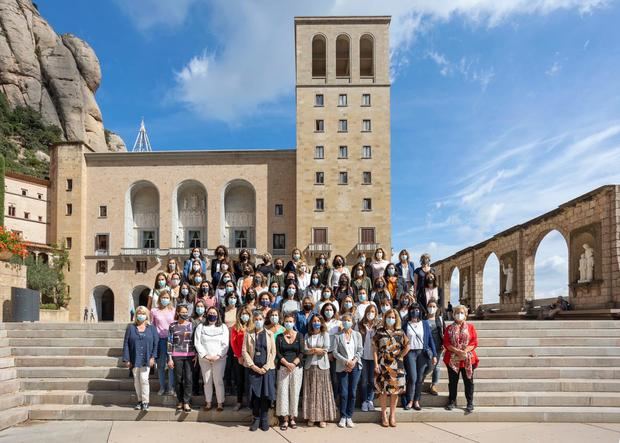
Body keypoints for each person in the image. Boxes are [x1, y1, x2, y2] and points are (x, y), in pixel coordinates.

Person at [374, 308, 409, 427]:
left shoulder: (400, 332)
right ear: (385, 318)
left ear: (396, 319)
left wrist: (400, 356)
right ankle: (383, 414)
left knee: (395, 392)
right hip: (383, 365)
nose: (391, 319)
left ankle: (392, 415)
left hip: (396, 366)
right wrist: (376, 364)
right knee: (383, 391)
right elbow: (374, 349)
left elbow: (407, 346)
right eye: (389, 317)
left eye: (393, 317)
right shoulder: (379, 332)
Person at [243, 311, 277, 432]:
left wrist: (266, 367)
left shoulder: (270, 334)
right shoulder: (248, 334)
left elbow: (273, 352)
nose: (258, 321)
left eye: (260, 319)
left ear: (263, 320)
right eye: (256, 319)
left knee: (265, 395)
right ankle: (256, 418)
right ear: (253, 320)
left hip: (267, 370)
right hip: (254, 369)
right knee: (255, 395)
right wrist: (253, 366)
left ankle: (264, 419)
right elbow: (245, 351)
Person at [302, 314, 337, 428]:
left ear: (321, 323)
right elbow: (305, 350)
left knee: (322, 392)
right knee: (311, 392)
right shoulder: (307, 335)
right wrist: (315, 350)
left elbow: (325, 349)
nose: (316, 322)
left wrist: (314, 350)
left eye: (318, 321)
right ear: (311, 323)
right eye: (314, 321)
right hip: (310, 366)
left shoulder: (325, 334)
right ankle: (311, 417)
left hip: (322, 366)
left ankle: (322, 418)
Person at [443, 305, 479, 414]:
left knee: (468, 381)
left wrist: (465, 351)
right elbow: (446, 342)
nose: (459, 315)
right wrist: (457, 352)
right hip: (453, 358)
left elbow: (474, 341)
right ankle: (452, 401)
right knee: (453, 381)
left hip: (467, 359)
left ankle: (469, 402)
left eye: (462, 313)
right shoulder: (449, 328)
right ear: (453, 315)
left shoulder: (470, 327)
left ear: (465, 315)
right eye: (457, 313)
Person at [122, 305, 158, 411]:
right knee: (136, 381)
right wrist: (126, 359)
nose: (141, 315)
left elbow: (156, 343)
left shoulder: (151, 328)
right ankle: (139, 401)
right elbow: (126, 344)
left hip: (147, 358)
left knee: (144, 379)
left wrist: (153, 357)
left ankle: (145, 402)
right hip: (134, 358)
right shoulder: (130, 328)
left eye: (143, 313)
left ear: (146, 315)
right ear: (136, 315)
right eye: (139, 313)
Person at [403, 303, 437, 411]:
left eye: (417, 309)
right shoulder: (405, 324)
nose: (415, 311)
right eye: (413, 309)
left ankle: (417, 400)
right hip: (410, 353)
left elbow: (430, 339)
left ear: (420, 311)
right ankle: (410, 400)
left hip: (422, 353)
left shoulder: (425, 323)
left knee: (419, 378)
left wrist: (434, 355)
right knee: (412, 377)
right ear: (410, 311)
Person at [194, 306, 229, 411]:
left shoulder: (223, 327)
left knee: (218, 381)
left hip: (219, 359)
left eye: (214, 313)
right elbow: (197, 342)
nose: (212, 315)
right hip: (205, 359)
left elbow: (225, 344)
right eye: (210, 313)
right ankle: (208, 402)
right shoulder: (200, 327)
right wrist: (205, 355)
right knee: (207, 381)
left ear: (218, 315)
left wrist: (218, 355)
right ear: (206, 314)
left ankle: (220, 403)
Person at [333, 313, 363, 428]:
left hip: (355, 366)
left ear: (353, 322)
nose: (346, 322)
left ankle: (349, 416)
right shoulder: (337, 336)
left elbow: (360, 350)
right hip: (343, 366)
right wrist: (346, 362)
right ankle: (343, 416)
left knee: (352, 392)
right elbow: (335, 352)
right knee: (344, 393)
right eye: (344, 320)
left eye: (349, 320)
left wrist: (354, 361)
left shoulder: (357, 335)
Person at [275, 313, 304, 431]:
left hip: (296, 368)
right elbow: (277, 353)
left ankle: (292, 418)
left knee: (294, 392)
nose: (288, 323)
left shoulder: (300, 336)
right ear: (284, 322)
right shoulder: (280, 337)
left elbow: (302, 352)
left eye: (290, 321)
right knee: (283, 393)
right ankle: (285, 419)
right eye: (286, 321)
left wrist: (293, 364)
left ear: (294, 322)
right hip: (283, 368)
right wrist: (286, 364)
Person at [167, 304, 196, 412]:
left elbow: (195, 341)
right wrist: (169, 358)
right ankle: (180, 401)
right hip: (176, 355)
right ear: (178, 313)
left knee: (188, 379)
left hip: (190, 356)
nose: (184, 314)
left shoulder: (191, 325)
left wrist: (196, 354)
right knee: (178, 379)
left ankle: (187, 402)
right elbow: (169, 342)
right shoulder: (172, 326)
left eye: (186, 312)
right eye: (182, 312)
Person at [150, 290, 175, 396]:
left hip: (171, 340)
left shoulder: (173, 310)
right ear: (159, 299)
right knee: (160, 365)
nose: (165, 299)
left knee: (171, 365)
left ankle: (171, 388)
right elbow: (152, 325)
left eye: (167, 298)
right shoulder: (154, 311)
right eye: (163, 297)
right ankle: (162, 387)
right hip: (159, 340)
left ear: (170, 299)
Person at [358, 304, 378, 412]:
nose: (371, 313)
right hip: (363, 357)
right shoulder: (360, 325)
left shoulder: (378, 326)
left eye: (373, 312)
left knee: (372, 380)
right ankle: (364, 401)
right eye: (369, 311)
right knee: (364, 380)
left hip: (374, 357)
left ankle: (370, 400)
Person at [230, 308, 251, 410]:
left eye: (246, 314)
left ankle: (250, 402)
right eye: (243, 314)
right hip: (239, 358)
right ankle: (239, 401)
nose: (244, 316)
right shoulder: (235, 327)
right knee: (239, 380)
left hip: (250, 358)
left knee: (249, 380)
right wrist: (239, 356)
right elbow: (233, 343)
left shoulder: (253, 327)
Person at [425, 300, 445, 395]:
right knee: (428, 366)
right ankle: (420, 379)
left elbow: (444, 332)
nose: (431, 308)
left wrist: (444, 343)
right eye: (430, 306)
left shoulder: (440, 319)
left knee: (437, 366)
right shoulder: (423, 319)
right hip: (426, 347)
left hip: (438, 346)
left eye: (433, 306)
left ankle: (434, 385)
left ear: (437, 308)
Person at [191, 300, 207, 396]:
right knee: (195, 370)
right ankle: (195, 389)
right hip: (194, 347)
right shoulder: (191, 319)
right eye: (198, 306)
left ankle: (207, 390)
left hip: (206, 348)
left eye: (202, 306)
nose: (199, 308)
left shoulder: (207, 319)